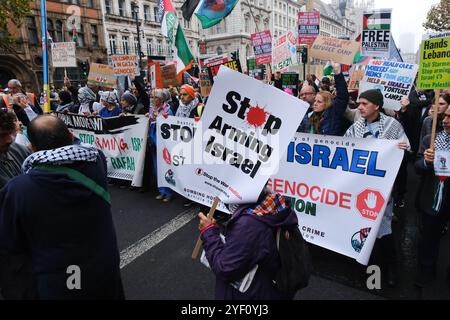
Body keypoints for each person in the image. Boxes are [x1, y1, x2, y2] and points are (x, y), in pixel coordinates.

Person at [0, 115, 124, 299]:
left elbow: (10, 243)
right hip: (104, 267)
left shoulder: (19, 190)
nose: (10, 140)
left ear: (32, 147)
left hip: (61, 280)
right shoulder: (96, 160)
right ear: (70, 136)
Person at [344, 89, 410, 287]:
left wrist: (401, 150)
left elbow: (406, 151)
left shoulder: (393, 126)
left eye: (364, 103)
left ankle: (390, 270)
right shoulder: (355, 127)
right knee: (364, 228)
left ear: (377, 106)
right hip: (361, 189)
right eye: (359, 103)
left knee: (383, 229)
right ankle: (370, 270)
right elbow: (345, 150)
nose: (360, 107)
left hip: (383, 189)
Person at [198, 187, 298, 300]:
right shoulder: (272, 201)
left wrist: (208, 232)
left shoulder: (248, 224)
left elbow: (225, 268)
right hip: (272, 285)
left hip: (253, 292)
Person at [414, 105, 450, 288]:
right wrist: (427, 162)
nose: (445, 120)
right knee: (428, 239)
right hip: (433, 197)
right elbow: (417, 166)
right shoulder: (431, 140)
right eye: (445, 116)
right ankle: (426, 273)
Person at [0, 108, 34, 300]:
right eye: (2, 136)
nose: (9, 139)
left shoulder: (16, 149)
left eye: (10, 133)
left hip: (27, 238)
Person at [297, 62, 349, 136]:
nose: (315, 103)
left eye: (319, 102)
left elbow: (342, 96)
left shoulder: (333, 114)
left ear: (327, 103)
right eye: (315, 101)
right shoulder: (309, 117)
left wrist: (337, 72)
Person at [149, 89, 175, 202]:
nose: (153, 100)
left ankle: (169, 192)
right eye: (152, 97)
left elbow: (171, 125)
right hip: (153, 142)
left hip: (164, 143)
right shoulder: (151, 110)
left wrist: (160, 118)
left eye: (156, 98)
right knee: (157, 168)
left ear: (162, 99)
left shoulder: (168, 110)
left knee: (166, 167)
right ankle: (162, 191)